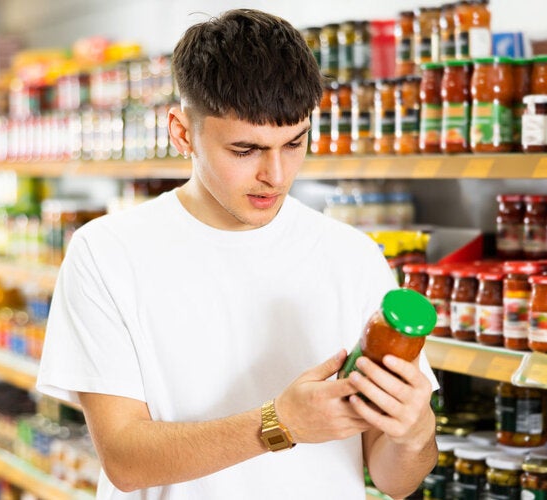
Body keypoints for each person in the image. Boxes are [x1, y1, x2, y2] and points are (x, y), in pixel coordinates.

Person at [37, 8, 438, 499]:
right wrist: (280, 423)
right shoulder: (107, 253)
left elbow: (396, 482)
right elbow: (124, 459)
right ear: (183, 132)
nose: (277, 174)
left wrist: (414, 431)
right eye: (246, 150)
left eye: (295, 142)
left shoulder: (353, 255)